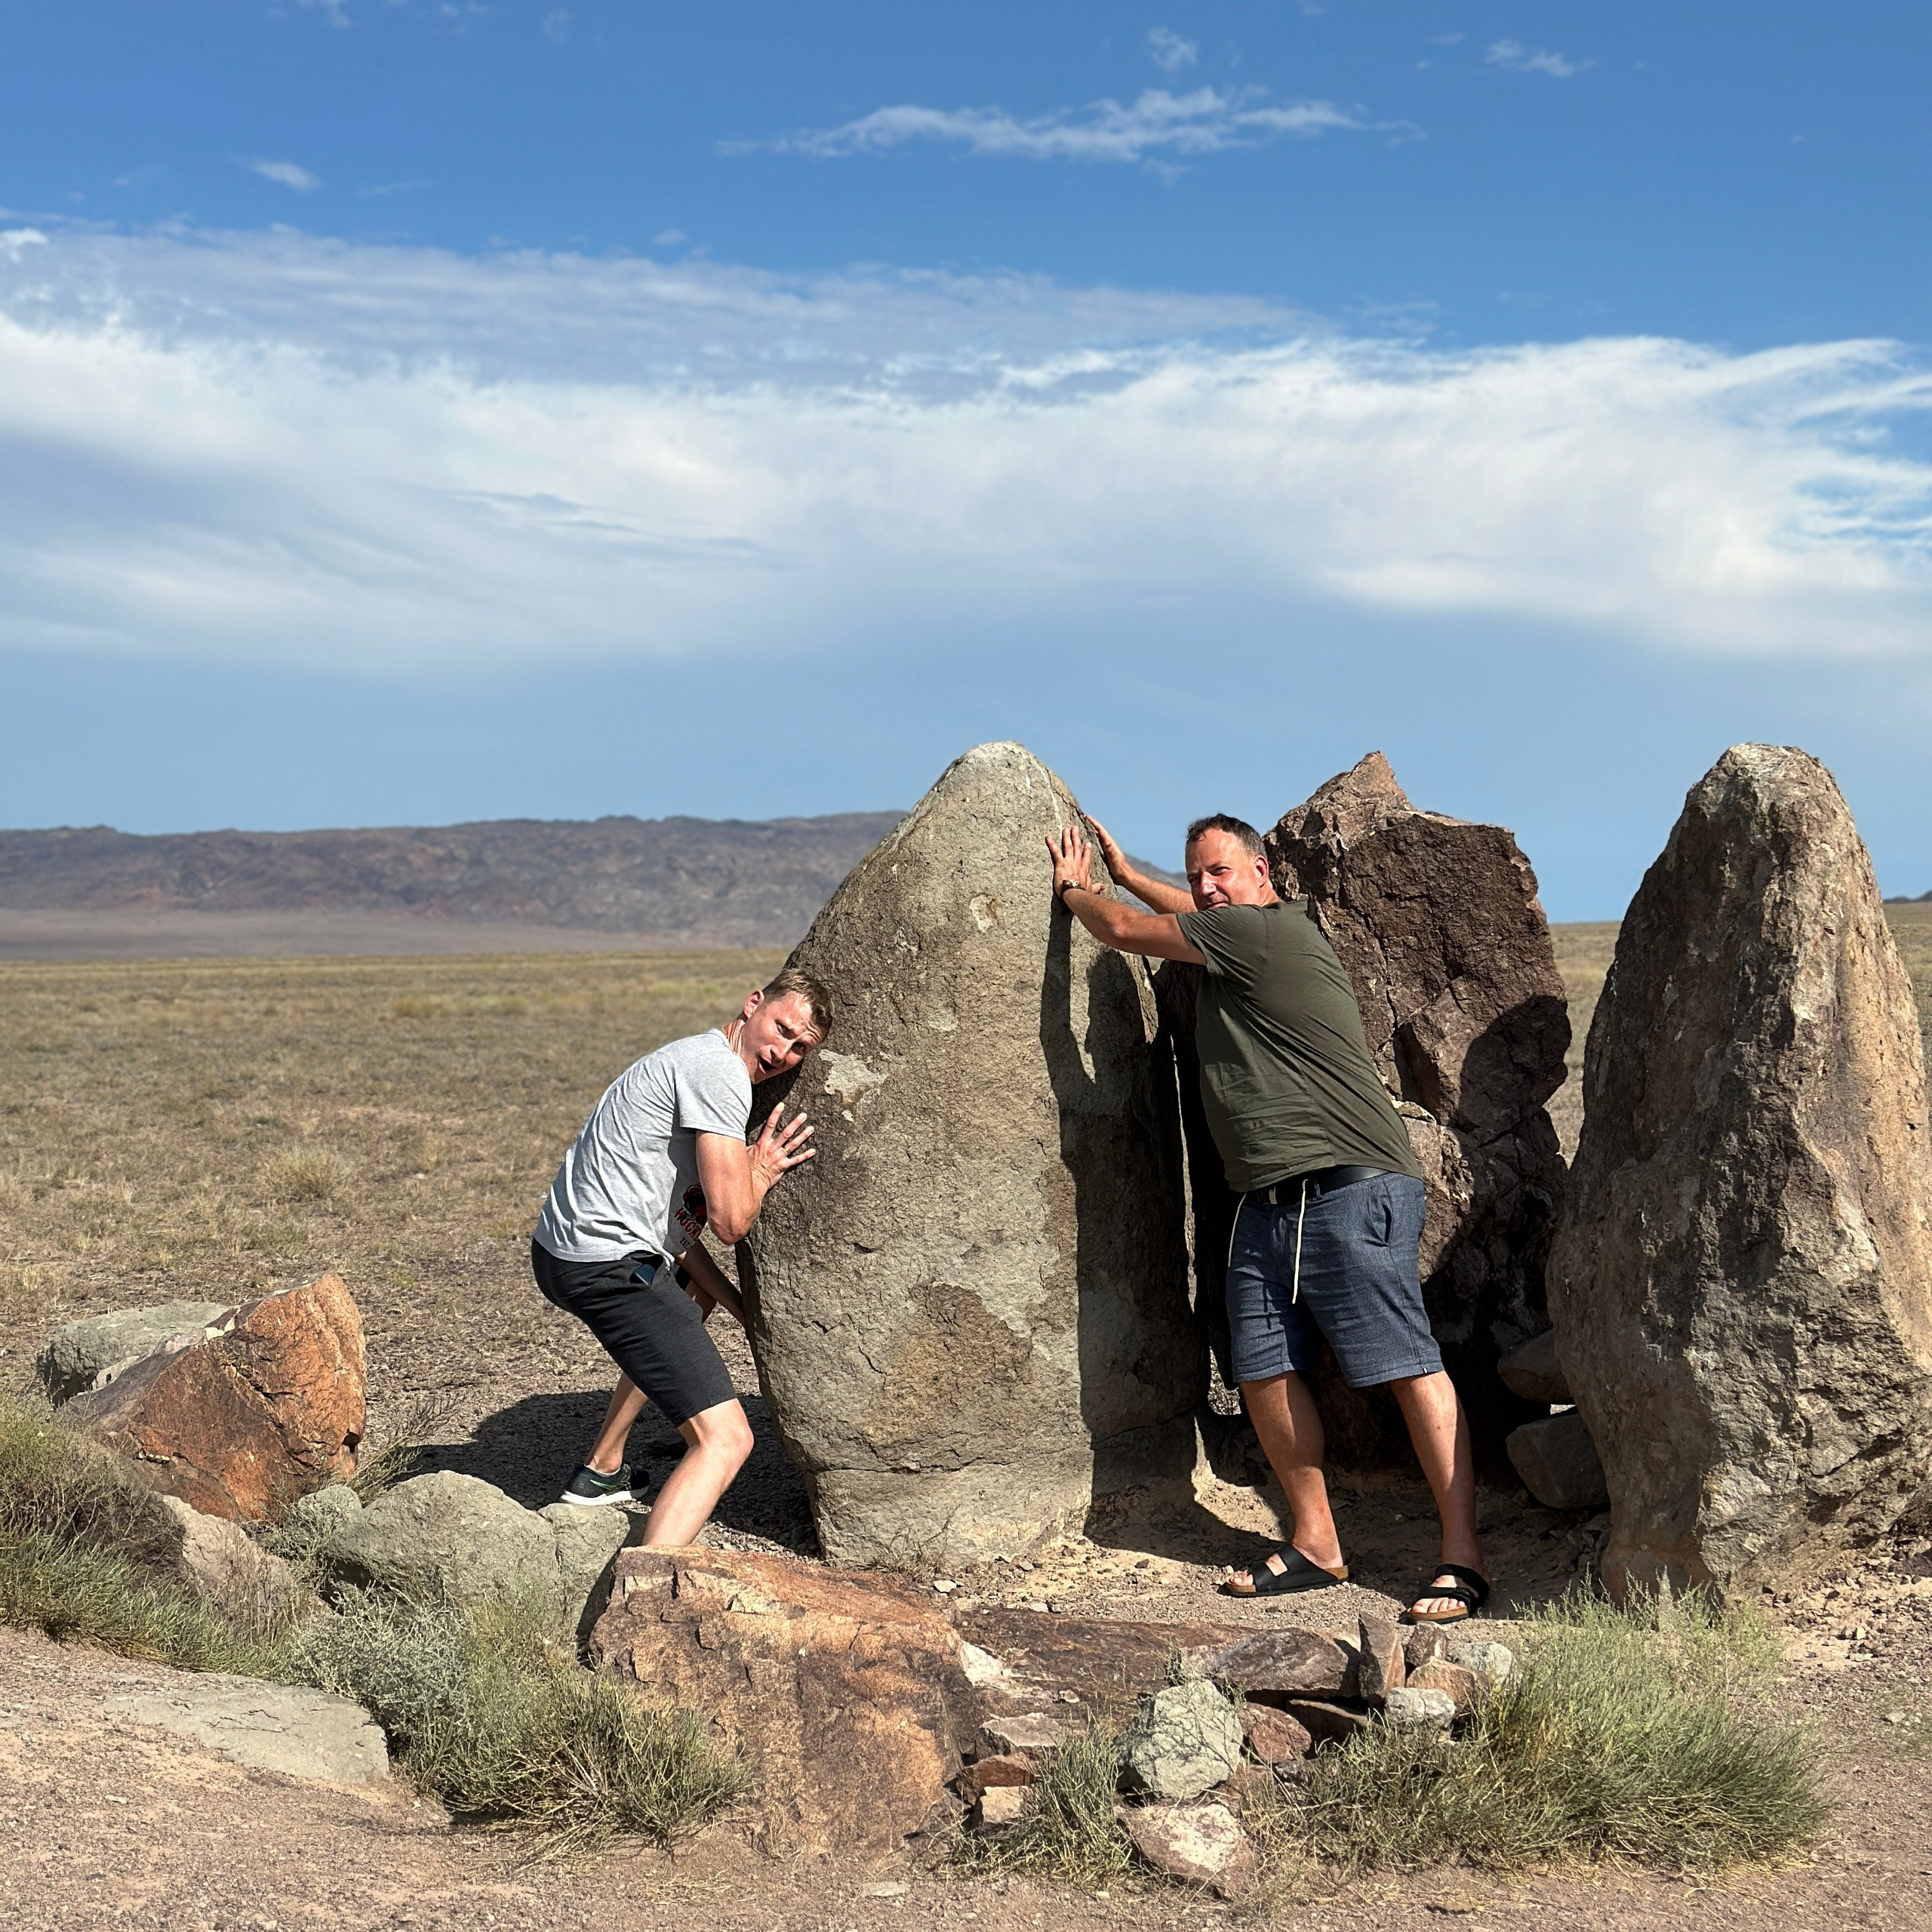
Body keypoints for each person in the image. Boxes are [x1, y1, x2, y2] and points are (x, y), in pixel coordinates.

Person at [1044, 812, 1487, 1626]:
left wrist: (1079, 888)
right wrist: (1130, 870)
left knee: (1407, 1367)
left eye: (1221, 871)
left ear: (1263, 873)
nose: (1208, 887)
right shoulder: (1231, 929)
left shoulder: (1265, 935)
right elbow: (1184, 909)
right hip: (1264, 1202)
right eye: (1195, 874)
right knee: (1260, 1368)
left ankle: (1461, 1558)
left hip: (1349, 1188)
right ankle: (1316, 1544)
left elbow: (1125, 930)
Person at [529, 968, 831, 1545]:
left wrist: (745, 1312)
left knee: (682, 1302)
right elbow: (730, 1222)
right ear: (752, 1005)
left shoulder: (694, 1056)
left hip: (565, 1251)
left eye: (800, 1048)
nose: (783, 1051)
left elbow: (683, 1247)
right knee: (728, 1440)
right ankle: (644, 1598)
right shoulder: (718, 1072)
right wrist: (760, 1171)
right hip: (606, 1264)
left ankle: (601, 1471)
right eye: (781, 1028)